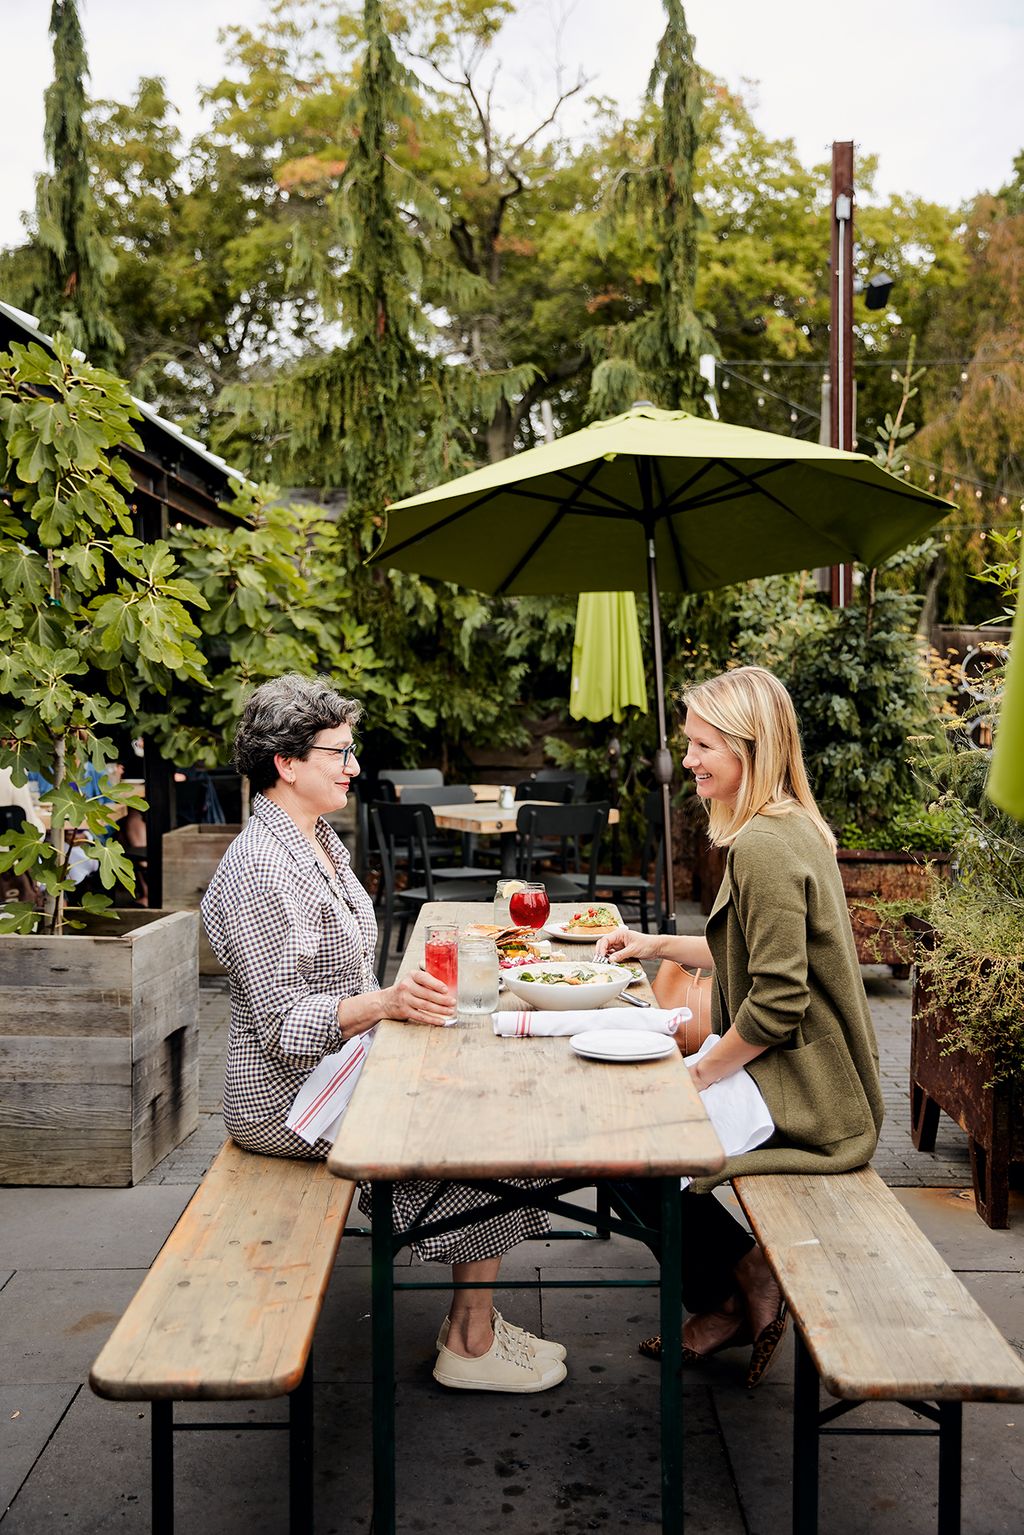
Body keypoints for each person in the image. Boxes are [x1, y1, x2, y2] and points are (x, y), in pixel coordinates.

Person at [201, 674, 566, 1394]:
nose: (354, 766)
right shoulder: (259, 868)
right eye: (339, 752)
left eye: (350, 750)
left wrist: (395, 1002)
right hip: (287, 1099)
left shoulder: (316, 842)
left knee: (498, 1097)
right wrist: (385, 1004)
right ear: (286, 762)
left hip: (336, 1066)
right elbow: (281, 1028)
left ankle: (471, 1321)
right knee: (496, 1138)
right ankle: (471, 1335)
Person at [597, 665, 884, 1387]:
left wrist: (697, 1075)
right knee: (629, 1139)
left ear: (749, 749)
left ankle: (741, 1285)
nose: (687, 758)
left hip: (807, 1088)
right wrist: (654, 945)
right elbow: (747, 954)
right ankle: (738, 1284)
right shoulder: (783, 825)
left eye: (702, 745)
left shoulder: (764, 846)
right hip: (794, 1069)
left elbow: (778, 1001)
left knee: (632, 1151)